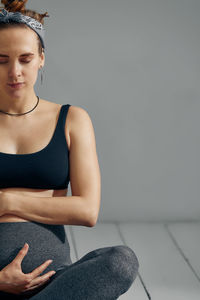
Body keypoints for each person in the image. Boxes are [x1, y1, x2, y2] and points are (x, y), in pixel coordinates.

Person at [0, 1, 139, 299]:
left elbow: (87, 210)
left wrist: (6, 200)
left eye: (25, 59)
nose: (15, 72)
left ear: (41, 58)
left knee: (120, 262)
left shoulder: (72, 120)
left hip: (55, 284)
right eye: (1, 60)